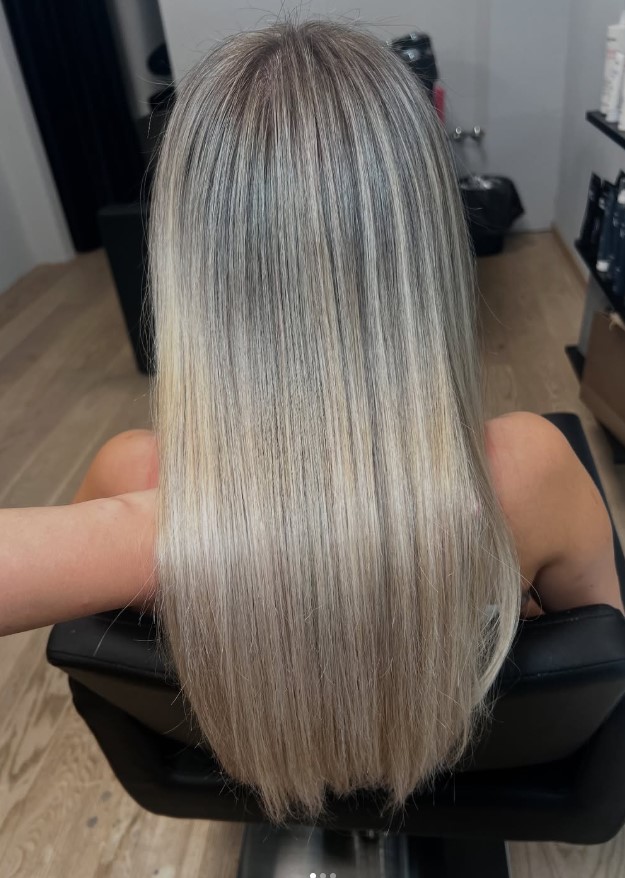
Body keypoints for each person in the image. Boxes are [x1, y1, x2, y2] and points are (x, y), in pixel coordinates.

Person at [0, 20, 622, 823]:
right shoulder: (533, 474)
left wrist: (233, 537)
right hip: (450, 759)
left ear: (187, 265)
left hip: (258, 763)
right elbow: (599, 657)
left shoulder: (132, 483)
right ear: (427, 243)